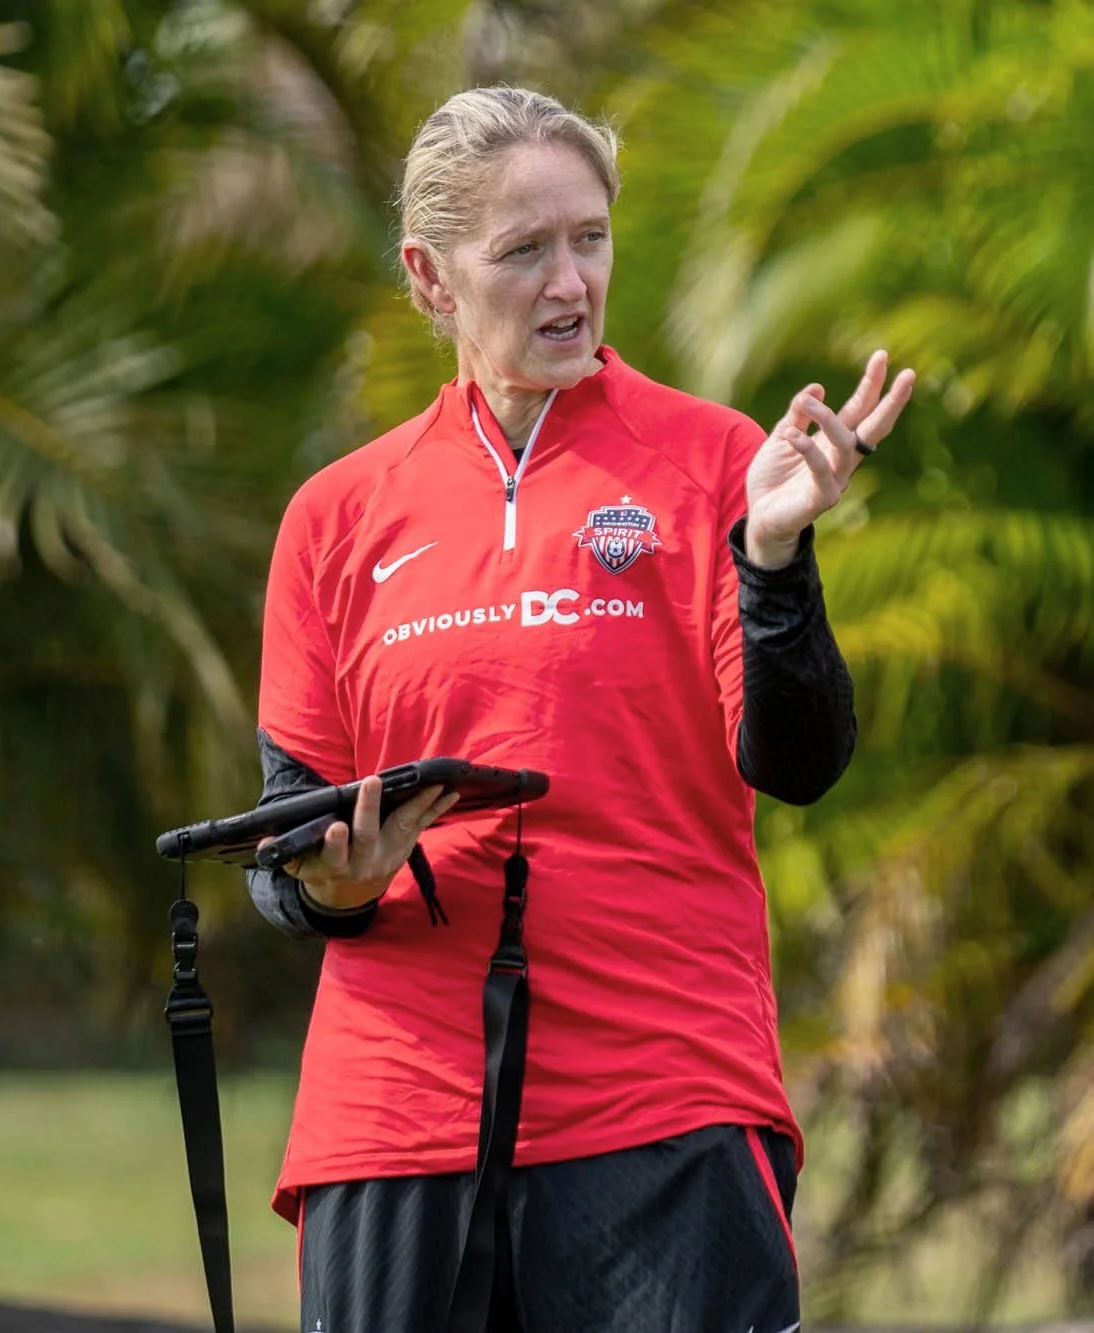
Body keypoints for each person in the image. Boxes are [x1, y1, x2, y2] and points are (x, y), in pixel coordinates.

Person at [245, 85, 913, 1331]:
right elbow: (286, 841)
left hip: (661, 1095)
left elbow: (801, 758)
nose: (570, 282)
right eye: (524, 250)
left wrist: (772, 557)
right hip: (398, 1113)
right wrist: (336, 883)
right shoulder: (337, 516)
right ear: (431, 278)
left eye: (590, 238)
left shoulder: (716, 461)